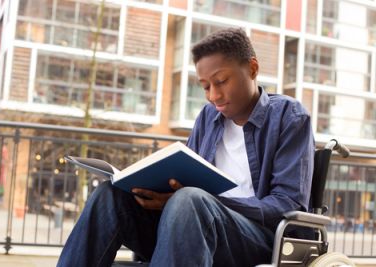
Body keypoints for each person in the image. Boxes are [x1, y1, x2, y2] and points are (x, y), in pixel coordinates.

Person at [57, 27, 314, 267]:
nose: (214, 96)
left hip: (256, 239)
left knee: (191, 199)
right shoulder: (207, 117)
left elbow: (286, 204)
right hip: (189, 226)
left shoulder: (289, 117)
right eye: (205, 87)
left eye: (222, 81)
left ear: (252, 68)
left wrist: (212, 201)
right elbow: (188, 180)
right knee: (109, 195)